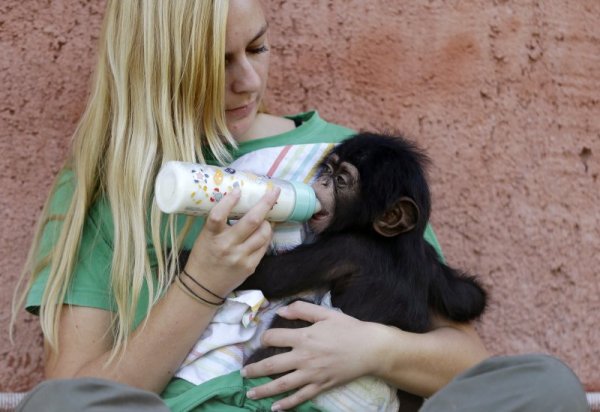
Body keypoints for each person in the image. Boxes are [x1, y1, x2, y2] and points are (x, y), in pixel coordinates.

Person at [13, 1, 588, 411]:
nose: (248, 80)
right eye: (216, 62)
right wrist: (201, 286)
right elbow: (72, 391)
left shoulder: (354, 164)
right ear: (157, 68)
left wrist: (374, 349)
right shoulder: (111, 185)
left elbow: (465, 358)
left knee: (543, 385)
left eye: (258, 47)